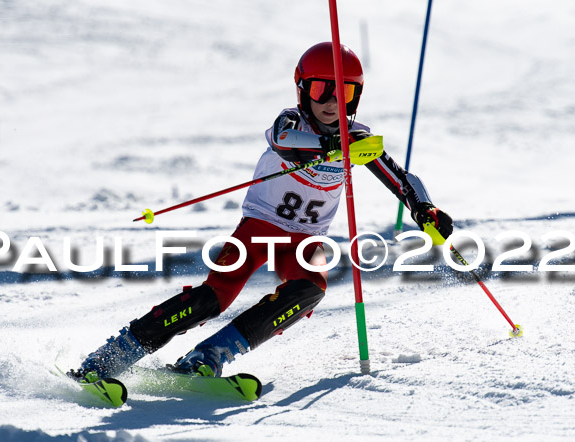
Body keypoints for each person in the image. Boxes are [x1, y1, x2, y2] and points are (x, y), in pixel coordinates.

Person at [67, 42, 453, 382]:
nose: (332, 101)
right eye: (322, 89)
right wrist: (331, 145)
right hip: (259, 230)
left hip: (305, 241)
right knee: (213, 298)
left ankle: (210, 356)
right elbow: (286, 142)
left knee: (309, 290)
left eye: (345, 92)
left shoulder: (359, 140)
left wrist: (424, 208)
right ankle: (112, 356)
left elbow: (400, 178)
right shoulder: (290, 122)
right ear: (303, 90)